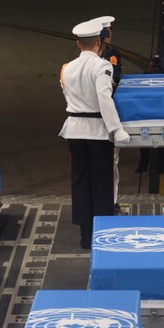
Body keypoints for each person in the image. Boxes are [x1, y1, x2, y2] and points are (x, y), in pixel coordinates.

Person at [59, 19, 130, 249]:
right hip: (98, 131)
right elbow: (104, 99)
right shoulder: (102, 67)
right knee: (102, 182)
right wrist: (116, 129)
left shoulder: (67, 67)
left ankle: (85, 234)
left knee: (80, 181)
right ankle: (102, 231)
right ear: (99, 42)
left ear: (79, 43)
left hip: (75, 130)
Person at [92, 16, 123, 211]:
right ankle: (108, 200)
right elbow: (113, 82)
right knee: (110, 160)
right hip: (104, 112)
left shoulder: (108, 55)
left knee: (110, 160)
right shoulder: (108, 55)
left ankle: (110, 200)